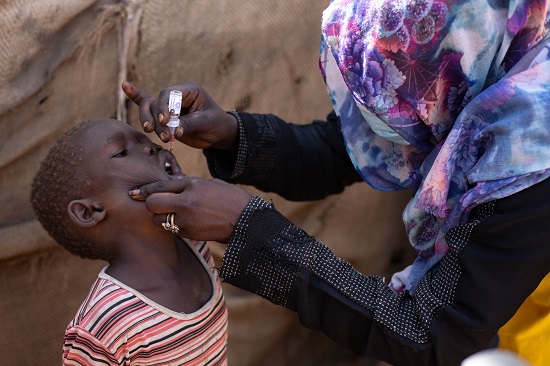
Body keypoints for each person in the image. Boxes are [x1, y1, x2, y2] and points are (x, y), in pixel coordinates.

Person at [121, 0, 550, 364]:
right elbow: (346, 148)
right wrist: (233, 134)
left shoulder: (532, 158)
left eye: (391, 98)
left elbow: (432, 335)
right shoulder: (482, 55)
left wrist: (248, 228)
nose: (382, 114)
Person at [30, 119, 228, 365]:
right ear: (89, 212)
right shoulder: (106, 322)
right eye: (122, 152)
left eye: (145, 141)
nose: (151, 148)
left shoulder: (196, 243)